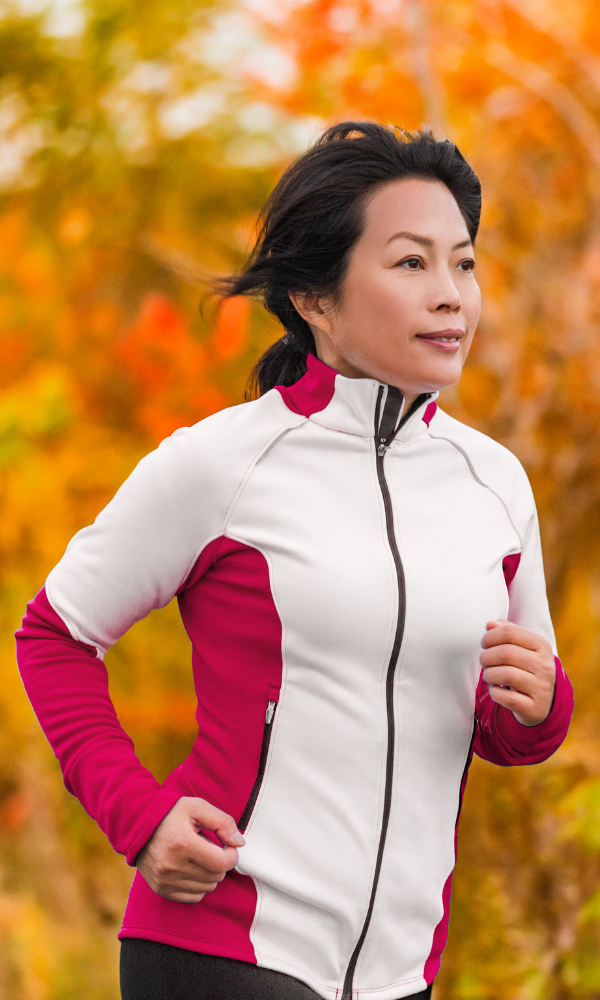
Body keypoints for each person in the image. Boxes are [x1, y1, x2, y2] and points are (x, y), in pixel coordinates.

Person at [16, 122, 573, 1000]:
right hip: (225, 945)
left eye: (463, 263)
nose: (451, 296)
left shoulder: (494, 484)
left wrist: (540, 707)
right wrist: (141, 816)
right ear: (314, 297)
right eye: (410, 263)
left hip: (399, 969)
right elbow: (54, 634)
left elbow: (509, 724)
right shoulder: (226, 463)